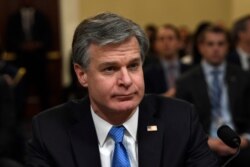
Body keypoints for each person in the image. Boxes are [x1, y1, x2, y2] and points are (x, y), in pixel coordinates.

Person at [26, 12, 218, 167]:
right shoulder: (49, 131)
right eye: (110, 69)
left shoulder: (181, 120)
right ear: (82, 74)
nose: (126, 81)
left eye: (133, 66)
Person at [176, 25, 250, 166]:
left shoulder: (243, 77)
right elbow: (182, 122)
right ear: (200, 47)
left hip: (240, 142)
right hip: (203, 145)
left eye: (221, 44)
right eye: (210, 44)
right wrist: (206, 141)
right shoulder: (186, 81)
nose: (216, 48)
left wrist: (245, 139)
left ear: (228, 46)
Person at [5, 0, 52, 113]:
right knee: (21, 90)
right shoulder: (13, 18)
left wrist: (36, 45)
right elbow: (9, 38)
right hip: (21, 60)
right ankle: (19, 118)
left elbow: (48, 37)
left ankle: (47, 114)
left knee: (43, 90)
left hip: (39, 59)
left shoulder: (41, 17)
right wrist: (22, 46)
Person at [144, 24, 191, 97]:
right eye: (161, 39)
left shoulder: (190, 70)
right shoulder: (148, 74)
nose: (166, 43)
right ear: (155, 45)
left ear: (179, 42)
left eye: (170, 38)